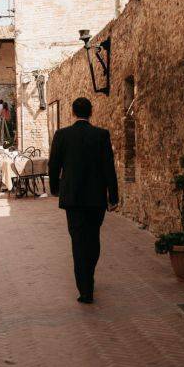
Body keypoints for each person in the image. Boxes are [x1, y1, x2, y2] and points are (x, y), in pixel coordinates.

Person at [47, 97, 118, 304]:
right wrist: (113, 196)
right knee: (93, 238)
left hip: (73, 198)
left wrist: (55, 189)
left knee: (78, 241)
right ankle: (89, 274)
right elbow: (108, 168)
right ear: (91, 112)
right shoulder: (101, 135)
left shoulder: (62, 135)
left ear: (72, 112)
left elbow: (53, 165)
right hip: (96, 198)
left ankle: (85, 288)